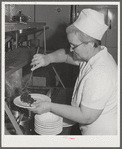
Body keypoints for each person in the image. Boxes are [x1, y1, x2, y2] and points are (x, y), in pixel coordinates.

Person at [29, 8, 117, 135]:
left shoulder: (100, 73)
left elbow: (86, 116)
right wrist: (47, 58)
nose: (70, 49)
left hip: (101, 136)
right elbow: (65, 55)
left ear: (91, 43)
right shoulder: (93, 55)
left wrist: (49, 106)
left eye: (74, 46)